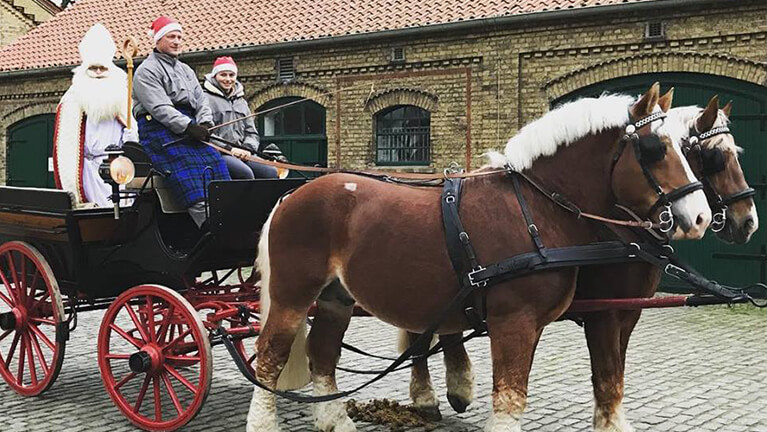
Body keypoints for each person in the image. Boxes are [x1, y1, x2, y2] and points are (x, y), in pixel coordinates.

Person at [132, 16, 230, 227]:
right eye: (171, 37)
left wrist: (204, 123)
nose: (176, 41)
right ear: (157, 40)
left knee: (217, 165)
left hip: (191, 130)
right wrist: (188, 127)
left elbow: (201, 99)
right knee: (191, 179)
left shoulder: (186, 70)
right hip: (160, 133)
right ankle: (210, 231)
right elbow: (160, 109)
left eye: (179, 37)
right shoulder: (145, 71)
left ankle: (227, 224)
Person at [53, 23, 138, 208]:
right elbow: (68, 142)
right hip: (88, 170)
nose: (98, 73)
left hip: (117, 166)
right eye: (93, 68)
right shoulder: (73, 99)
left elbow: (127, 125)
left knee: (122, 209)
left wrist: (131, 135)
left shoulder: (120, 96)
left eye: (103, 68)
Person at [203, 56, 277, 179]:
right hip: (219, 153)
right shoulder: (205, 99)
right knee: (245, 173)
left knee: (270, 172)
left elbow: (252, 132)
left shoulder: (241, 102)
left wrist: (247, 149)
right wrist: (230, 149)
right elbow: (206, 133)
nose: (228, 79)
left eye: (231, 75)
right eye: (223, 75)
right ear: (215, 76)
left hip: (243, 153)